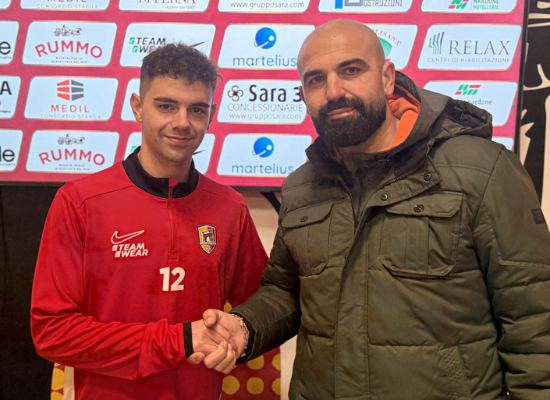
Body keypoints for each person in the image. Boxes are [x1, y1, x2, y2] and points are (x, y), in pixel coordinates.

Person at [200, 20, 550, 399]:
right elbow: (286, 291)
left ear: (386, 78)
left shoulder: (482, 169)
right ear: (303, 95)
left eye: (351, 70)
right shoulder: (300, 188)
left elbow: (534, 318)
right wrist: (245, 326)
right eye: (316, 79)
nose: (334, 91)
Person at [30, 43, 267, 400]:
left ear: (211, 115)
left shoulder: (229, 207)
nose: (182, 122)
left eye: (196, 109)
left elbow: (264, 305)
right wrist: (177, 340)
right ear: (138, 107)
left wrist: (241, 333)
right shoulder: (79, 202)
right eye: (166, 106)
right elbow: (52, 332)